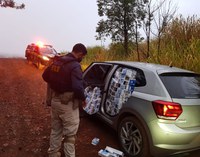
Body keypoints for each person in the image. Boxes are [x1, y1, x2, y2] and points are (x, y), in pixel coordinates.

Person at [42, 43, 87, 157]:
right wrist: (83, 99)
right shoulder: (75, 66)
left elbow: (45, 76)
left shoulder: (57, 61)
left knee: (56, 130)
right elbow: (77, 87)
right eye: (83, 57)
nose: (82, 59)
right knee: (70, 135)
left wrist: (56, 82)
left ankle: (53, 153)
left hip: (55, 101)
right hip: (67, 104)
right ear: (80, 53)